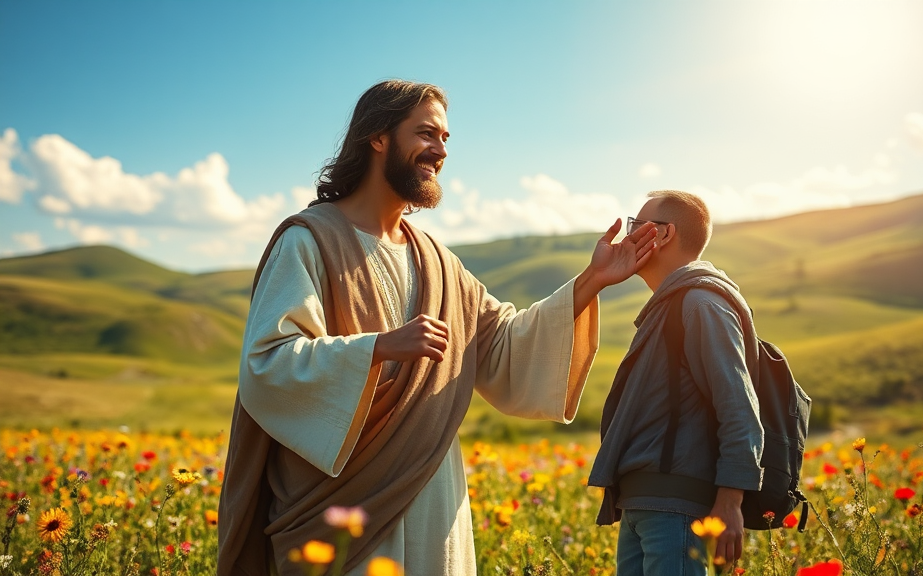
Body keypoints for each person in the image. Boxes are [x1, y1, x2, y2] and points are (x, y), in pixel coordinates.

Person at [216, 80, 657, 576]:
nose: (440, 150)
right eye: (427, 134)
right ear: (378, 136)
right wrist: (379, 348)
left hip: (433, 497)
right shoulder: (308, 242)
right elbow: (269, 362)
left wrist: (591, 281)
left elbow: (501, 347)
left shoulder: (439, 263)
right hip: (341, 510)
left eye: (446, 139)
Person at [588, 190, 765, 575]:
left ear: (663, 235)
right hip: (645, 504)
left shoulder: (701, 304)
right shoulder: (670, 304)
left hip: (677, 507)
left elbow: (739, 408)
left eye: (635, 226)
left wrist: (730, 502)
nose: (626, 237)